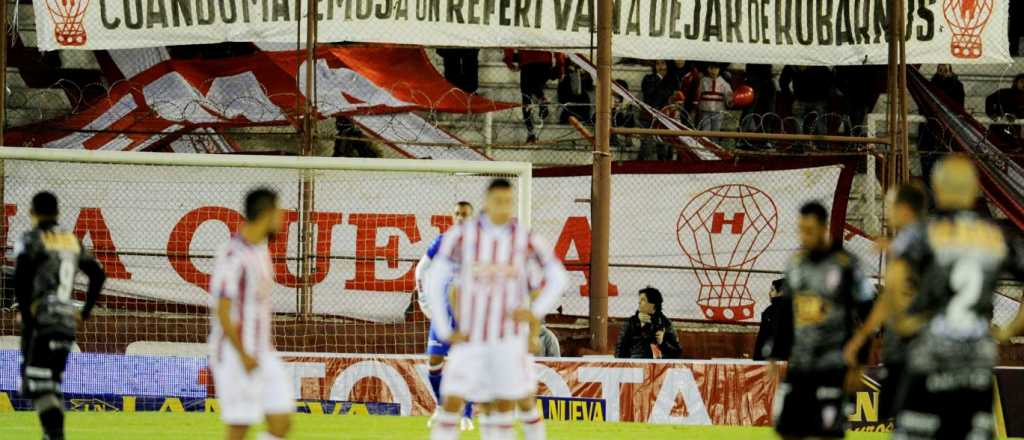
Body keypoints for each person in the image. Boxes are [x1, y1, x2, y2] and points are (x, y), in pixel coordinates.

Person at [891, 157, 1024, 440]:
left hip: (930, 356)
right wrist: (1011, 329)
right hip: (975, 362)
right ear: (975, 189)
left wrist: (906, 324)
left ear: (936, 188)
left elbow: (895, 286)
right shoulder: (998, 237)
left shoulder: (920, 235)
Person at [426, 178, 568, 440]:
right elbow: (437, 280)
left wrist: (535, 314)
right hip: (472, 338)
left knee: (511, 404)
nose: (503, 206)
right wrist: (447, 327)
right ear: (487, 202)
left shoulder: (525, 240)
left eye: (508, 201)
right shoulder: (463, 236)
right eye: (497, 201)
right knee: (451, 402)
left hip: (508, 341)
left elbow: (557, 276)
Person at [768, 201, 874, 440]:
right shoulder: (796, 263)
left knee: (828, 433)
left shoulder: (847, 264)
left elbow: (868, 312)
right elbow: (785, 310)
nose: (804, 236)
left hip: (834, 364)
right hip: (801, 364)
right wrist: (775, 354)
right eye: (800, 229)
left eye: (809, 230)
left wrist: (859, 362)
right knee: (788, 431)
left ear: (823, 228)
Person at [16, 191, 107, 440]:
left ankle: (55, 435)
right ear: (57, 213)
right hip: (67, 322)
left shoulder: (31, 239)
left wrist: (26, 313)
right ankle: (52, 435)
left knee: (35, 385)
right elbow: (98, 275)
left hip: (41, 320)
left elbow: (21, 279)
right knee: (51, 384)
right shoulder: (72, 240)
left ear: (31, 212)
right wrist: (85, 311)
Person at [208, 188, 293, 440]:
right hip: (236, 354)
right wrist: (243, 353)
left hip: (262, 351)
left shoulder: (261, 250)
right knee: (239, 427)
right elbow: (222, 310)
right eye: (278, 213)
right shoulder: (233, 254)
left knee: (281, 419)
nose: (281, 220)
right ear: (267, 214)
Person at [842, 184, 928, 423]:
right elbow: (890, 298)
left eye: (889, 206)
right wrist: (862, 338)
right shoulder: (915, 243)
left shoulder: (914, 244)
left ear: (903, 210)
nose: (886, 212)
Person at [416, 201, 475, 431]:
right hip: (443, 313)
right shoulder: (442, 241)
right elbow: (421, 269)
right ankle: (441, 409)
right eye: (458, 214)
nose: (461, 218)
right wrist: (423, 299)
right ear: (453, 216)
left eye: (465, 215)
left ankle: (467, 415)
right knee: (433, 364)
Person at [503, 50, 566, 144]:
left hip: (527, 62)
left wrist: (509, 60)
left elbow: (509, 42)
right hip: (543, 61)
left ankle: (531, 132)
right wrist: (560, 66)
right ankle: (541, 99)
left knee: (526, 97)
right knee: (533, 90)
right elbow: (558, 46)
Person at [919, 65, 966, 180]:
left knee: (945, 156)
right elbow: (923, 103)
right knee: (929, 156)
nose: (942, 73)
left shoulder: (957, 86)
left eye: (945, 70)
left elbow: (959, 106)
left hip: (948, 126)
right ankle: (930, 182)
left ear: (950, 71)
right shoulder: (930, 85)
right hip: (931, 125)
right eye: (940, 70)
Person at [614, 287, 682, 359]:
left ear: (653, 304)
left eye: (643, 300)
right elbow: (620, 348)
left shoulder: (665, 323)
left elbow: (677, 352)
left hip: (658, 366)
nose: (639, 302)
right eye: (639, 299)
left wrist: (662, 343)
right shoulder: (631, 322)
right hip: (636, 365)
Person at [780, 66, 835, 135]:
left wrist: (789, 96)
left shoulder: (794, 62)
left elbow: (783, 81)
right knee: (820, 125)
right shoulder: (819, 62)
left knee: (799, 124)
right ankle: (822, 144)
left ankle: (801, 143)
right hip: (818, 99)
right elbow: (830, 80)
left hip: (800, 98)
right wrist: (826, 95)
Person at [752, 278, 785, 361]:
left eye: (772, 290)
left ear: (781, 292)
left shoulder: (771, 311)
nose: (769, 293)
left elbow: (764, 338)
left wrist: (757, 358)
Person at [984, 73, 1024, 142]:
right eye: (1022, 82)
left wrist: (1016, 116)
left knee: (1012, 145)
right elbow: (989, 99)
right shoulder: (1004, 93)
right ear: (1016, 82)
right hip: (998, 125)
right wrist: (991, 113)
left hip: (1014, 126)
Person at [696, 64, 733, 132]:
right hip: (705, 110)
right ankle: (705, 142)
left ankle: (714, 142)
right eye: (711, 68)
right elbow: (698, 94)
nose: (713, 71)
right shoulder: (703, 81)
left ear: (719, 69)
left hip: (718, 111)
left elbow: (729, 97)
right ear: (708, 69)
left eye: (716, 68)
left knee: (716, 130)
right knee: (705, 130)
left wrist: (730, 101)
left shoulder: (724, 84)